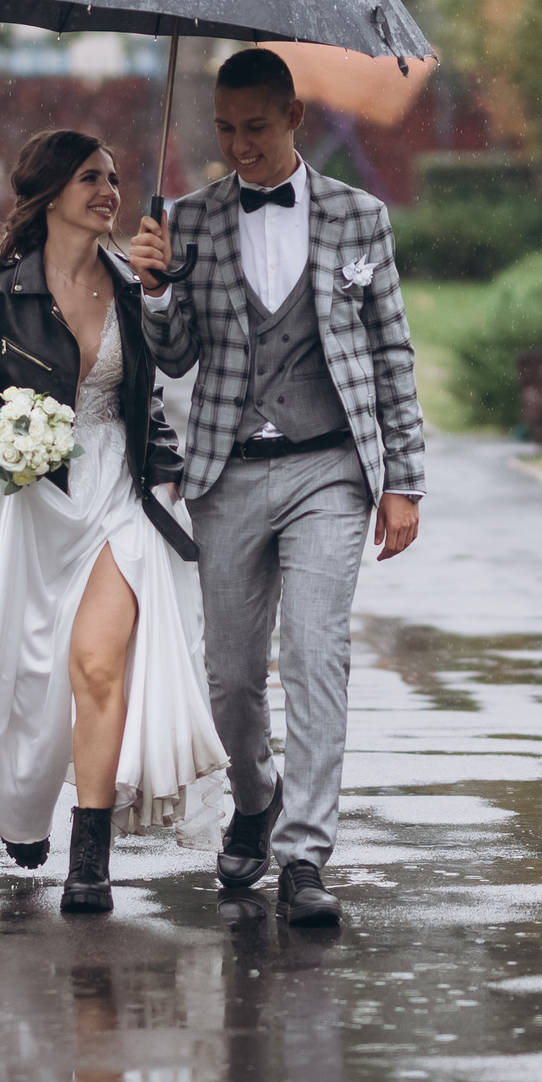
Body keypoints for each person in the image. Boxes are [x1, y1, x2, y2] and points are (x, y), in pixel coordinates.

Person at [129, 48, 425, 928]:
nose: (238, 146)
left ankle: (303, 854)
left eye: (254, 128)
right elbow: (174, 354)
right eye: (224, 130)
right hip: (226, 471)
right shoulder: (190, 218)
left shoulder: (358, 216)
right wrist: (152, 287)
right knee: (228, 675)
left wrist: (402, 479)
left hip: (330, 465)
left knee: (315, 653)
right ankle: (254, 800)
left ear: (294, 117)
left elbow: (391, 352)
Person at [0, 129, 230, 914]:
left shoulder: (132, 281)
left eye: (116, 177)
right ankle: (23, 814)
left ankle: (90, 855)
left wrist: (166, 472)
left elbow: (156, 388)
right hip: (35, 498)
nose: (110, 191)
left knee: (98, 663)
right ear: (51, 190)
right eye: (92, 177)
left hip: (120, 491)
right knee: (30, 674)